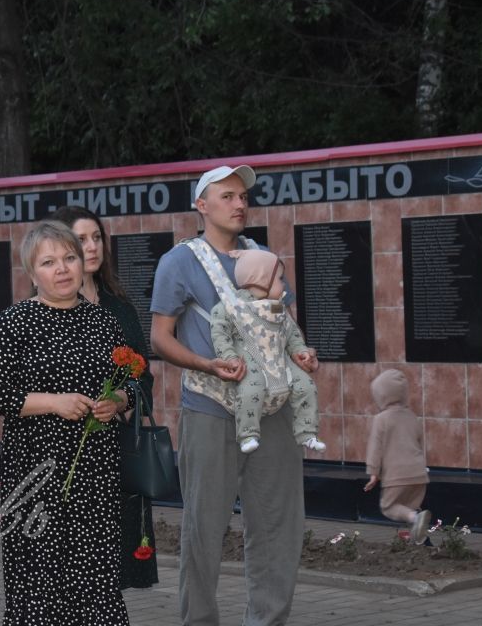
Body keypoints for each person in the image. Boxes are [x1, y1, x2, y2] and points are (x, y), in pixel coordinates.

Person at [150, 164, 316, 626]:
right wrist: (206, 363)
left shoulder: (262, 255)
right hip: (210, 409)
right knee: (203, 529)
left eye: (243, 196)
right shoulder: (179, 262)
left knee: (280, 526)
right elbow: (159, 338)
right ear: (201, 206)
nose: (240, 204)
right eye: (227, 196)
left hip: (274, 411)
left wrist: (300, 356)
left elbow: (281, 325)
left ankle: (267, 620)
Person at [0, 220, 132, 625]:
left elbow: (130, 384)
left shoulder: (103, 323)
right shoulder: (13, 324)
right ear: (32, 274)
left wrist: (115, 402)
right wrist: (53, 403)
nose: (62, 269)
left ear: (83, 265)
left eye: (69, 258)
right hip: (36, 474)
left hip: (95, 477)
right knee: (39, 582)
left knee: (95, 583)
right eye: (49, 262)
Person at [50, 205, 159, 589]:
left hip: (114, 449)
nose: (91, 246)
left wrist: (121, 401)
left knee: (112, 571)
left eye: (97, 237)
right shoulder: (43, 310)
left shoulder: (119, 305)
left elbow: (143, 376)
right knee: (69, 568)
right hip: (61, 450)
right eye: (81, 239)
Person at [209, 248, 325, 454]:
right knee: (251, 388)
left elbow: (290, 332)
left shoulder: (276, 308)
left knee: (306, 385)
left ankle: (307, 432)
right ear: (261, 280)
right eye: (279, 278)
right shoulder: (232, 306)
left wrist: (300, 351)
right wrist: (229, 356)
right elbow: (219, 330)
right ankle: (247, 434)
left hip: (279, 360)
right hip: (250, 357)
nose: (284, 286)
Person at [363, 368, 431, 544]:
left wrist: (373, 473)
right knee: (409, 505)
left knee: (389, 507)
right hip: (419, 473)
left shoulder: (381, 419)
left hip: (397, 475)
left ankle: (416, 519)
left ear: (382, 396)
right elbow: (420, 443)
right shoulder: (412, 417)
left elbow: (375, 448)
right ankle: (415, 537)